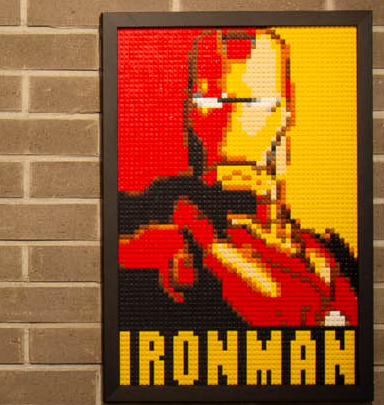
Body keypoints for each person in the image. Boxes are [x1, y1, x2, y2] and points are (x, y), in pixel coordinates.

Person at [115, 27, 361, 331]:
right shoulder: (161, 220)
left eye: (254, 101)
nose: (230, 119)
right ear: (190, 111)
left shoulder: (330, 255)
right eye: (210, 101)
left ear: (286, 112)